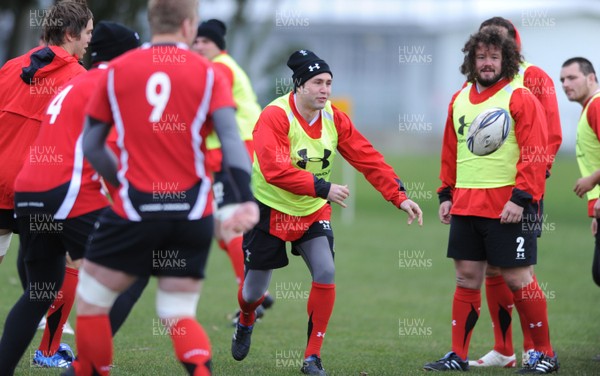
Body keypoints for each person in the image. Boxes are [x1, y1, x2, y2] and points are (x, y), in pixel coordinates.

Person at [67, 0, 258, 374]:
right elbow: (232, 141)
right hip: (193, 212)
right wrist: (245, 198)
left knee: (92, 301)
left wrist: (122, 182)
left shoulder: (116, 71)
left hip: (136, 208)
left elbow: (91, 145)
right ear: (189, 26)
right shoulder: (209, 74)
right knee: (177, 312)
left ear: (152, 22)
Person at [230, 49, 423, 375]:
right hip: (269, 209)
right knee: (252, 292)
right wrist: (324, 188)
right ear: (299, 86)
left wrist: (398, 196)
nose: (325, 89)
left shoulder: (335, 117)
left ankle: (312, 357)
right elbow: (274, 169)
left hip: (311, 211)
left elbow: (367, 157)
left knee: (326, 271)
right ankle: (246, 318)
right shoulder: (275, 116)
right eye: (317, 82)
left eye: (329, 82)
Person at [0, 21, 141, 373]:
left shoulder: (76, 82)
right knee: (133, 267)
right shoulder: (111, 84)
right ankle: (86, 368)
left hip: (27, 191)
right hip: (64, 192)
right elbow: (104, 148)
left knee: (40, 290)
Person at [423, 28, 558, 373]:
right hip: (466, 206)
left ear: (506, 60)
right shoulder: (460, 99)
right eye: (480, 57)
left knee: (518, 279)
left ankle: (544, 353)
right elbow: (450, 152)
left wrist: (521, 198)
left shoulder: (519, 97)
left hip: (508, 208)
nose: (486, 63)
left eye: (493, 57)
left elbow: (535, 153)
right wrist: (445, 194)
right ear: (471, 61)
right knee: (467, 277)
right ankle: (457, 355)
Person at [467, 17, 562, 369]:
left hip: (521, 193)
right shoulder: (479, 80)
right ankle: (503, 349)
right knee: (492, 271)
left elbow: (550, 135)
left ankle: (536, 349)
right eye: (486, 46)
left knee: (520, 272)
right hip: (483, 193)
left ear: (513, 43)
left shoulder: (534, 77)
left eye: (500, 44)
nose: (493, 52)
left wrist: (531, 188)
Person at [192, 19, 274, 319]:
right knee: (219, 225)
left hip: (235, 153)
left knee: (229, 222)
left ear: (218, 45)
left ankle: (253, 294)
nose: (199, 46)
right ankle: (254, 290)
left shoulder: (220, 68)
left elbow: (210, 111)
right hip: (227, 153)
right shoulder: (223, 66)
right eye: (196, 41)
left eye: (205, 42)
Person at [0, 0, 93, 265]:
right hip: (40, 188)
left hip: (1, 184)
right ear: (69, 34)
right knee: (61, 267)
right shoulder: (79, 78)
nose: (90, 39)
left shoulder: (10, 67)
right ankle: (46, 308)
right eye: (87, 32)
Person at [560, 57, 600, 287]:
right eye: (562, 80)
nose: (565, 84)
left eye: (572, 77)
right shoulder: (589, 108)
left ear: (591, 78)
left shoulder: (596, 106)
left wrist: (593, 180)